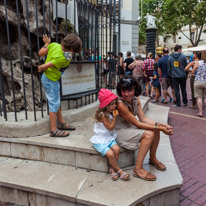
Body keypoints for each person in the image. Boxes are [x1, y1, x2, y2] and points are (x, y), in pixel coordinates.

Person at [116, 77, 173, 181]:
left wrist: (161, 125)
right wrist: (159, 127)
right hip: (119, 131)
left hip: (130, 126)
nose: (126, 94)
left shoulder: (135, 99)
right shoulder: (120, 104)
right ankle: (138, 169)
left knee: (155, 130)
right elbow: (138, 123)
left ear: (135, 89)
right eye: (123, 91)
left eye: (129, 90)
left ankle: (152, 158)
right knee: (149, 134)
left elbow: (143, 118)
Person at [38, 34, 82, 137]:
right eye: (74, 51)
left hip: (51, 79)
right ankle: (53, 129)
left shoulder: (54, 45)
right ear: (71, 49)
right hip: (50, 80)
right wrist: (41, 67)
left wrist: (47, 44)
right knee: (53, 103)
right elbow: (47, 65)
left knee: (56, 101)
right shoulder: (63, 58)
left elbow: (41, 53)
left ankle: (61, 122)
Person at [90, 89, 130, 181]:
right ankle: (119, 170)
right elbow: (110, 128)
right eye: (112, 104)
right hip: (100, 140)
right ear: (106, 105)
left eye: (114, 103)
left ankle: (112, 169)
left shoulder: (110, 112)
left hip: (108, 137)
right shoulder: (102, 115)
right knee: (111, 154)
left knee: (117, 149)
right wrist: (115, 117)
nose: (114, 106)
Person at [192, 51, 206, 117]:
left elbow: (193, 71)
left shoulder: (198, 63)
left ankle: (200, 112)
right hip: (205, 81)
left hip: (198, 81)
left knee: (199, 97)